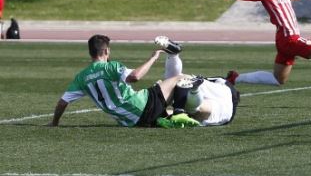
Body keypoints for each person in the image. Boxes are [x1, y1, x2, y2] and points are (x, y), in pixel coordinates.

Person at [48, 34, 200, 128]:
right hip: (143, 106)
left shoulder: (81, 77)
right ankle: (179, 112)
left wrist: (55, 123)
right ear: (106, 51)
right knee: (182, 78)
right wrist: (152, 58)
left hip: (131, 122)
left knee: (161, 87)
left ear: (90, 53)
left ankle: (165, 117)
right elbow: (134, 77)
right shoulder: (111, 67)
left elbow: (62, 102)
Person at [156, 35, 240, 127]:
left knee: (194, 106)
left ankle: (192, 90)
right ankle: (174, 56)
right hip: (224, 97)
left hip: (223, 96)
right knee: (179, 82)